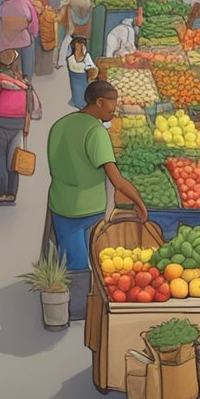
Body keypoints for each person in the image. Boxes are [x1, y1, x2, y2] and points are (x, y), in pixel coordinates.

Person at [47, 80, 148, 321]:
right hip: (88, 208)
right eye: (111, 103)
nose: (114, 108)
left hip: (60, 203)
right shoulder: (96, 132)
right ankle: (80, 313)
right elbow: (116, 179)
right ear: (99, 102)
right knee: (86, 262)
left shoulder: (60, 124)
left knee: (70, 256)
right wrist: (139, 203)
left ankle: (67, 305)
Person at [0, 50, 34, 207]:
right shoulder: (24, 82)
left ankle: (4, 193)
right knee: (13, 160)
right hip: (17, 125)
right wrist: (26, 125)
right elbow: (29, 107)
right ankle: (11, 193)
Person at [0, 0, 39, 79]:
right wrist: (33, 33)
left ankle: (14, 84)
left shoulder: (1, 7)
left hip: (8, 42)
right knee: (28, 63)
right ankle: (27, 83)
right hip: (25, 39)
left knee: (12, 66)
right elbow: (33, 19)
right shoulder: (23, 1)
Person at [64, 36, 98, 109]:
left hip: (83, 80)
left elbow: (92, 68)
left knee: (83, 93)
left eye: (82, 46)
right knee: (76, 92)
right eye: (78, 45)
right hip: (74, 79)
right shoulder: (70, 57)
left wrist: (91, 74)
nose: (80, 47)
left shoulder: (86, 56)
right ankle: (77, 102)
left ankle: (83, 104)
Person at [35, 0, 58, 76]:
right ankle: (45, 70)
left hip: (45, 37)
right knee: (44, 55)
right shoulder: (51, 13)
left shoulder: (46, 13)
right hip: (48, 38)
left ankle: (42, 71)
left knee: (41, 54)